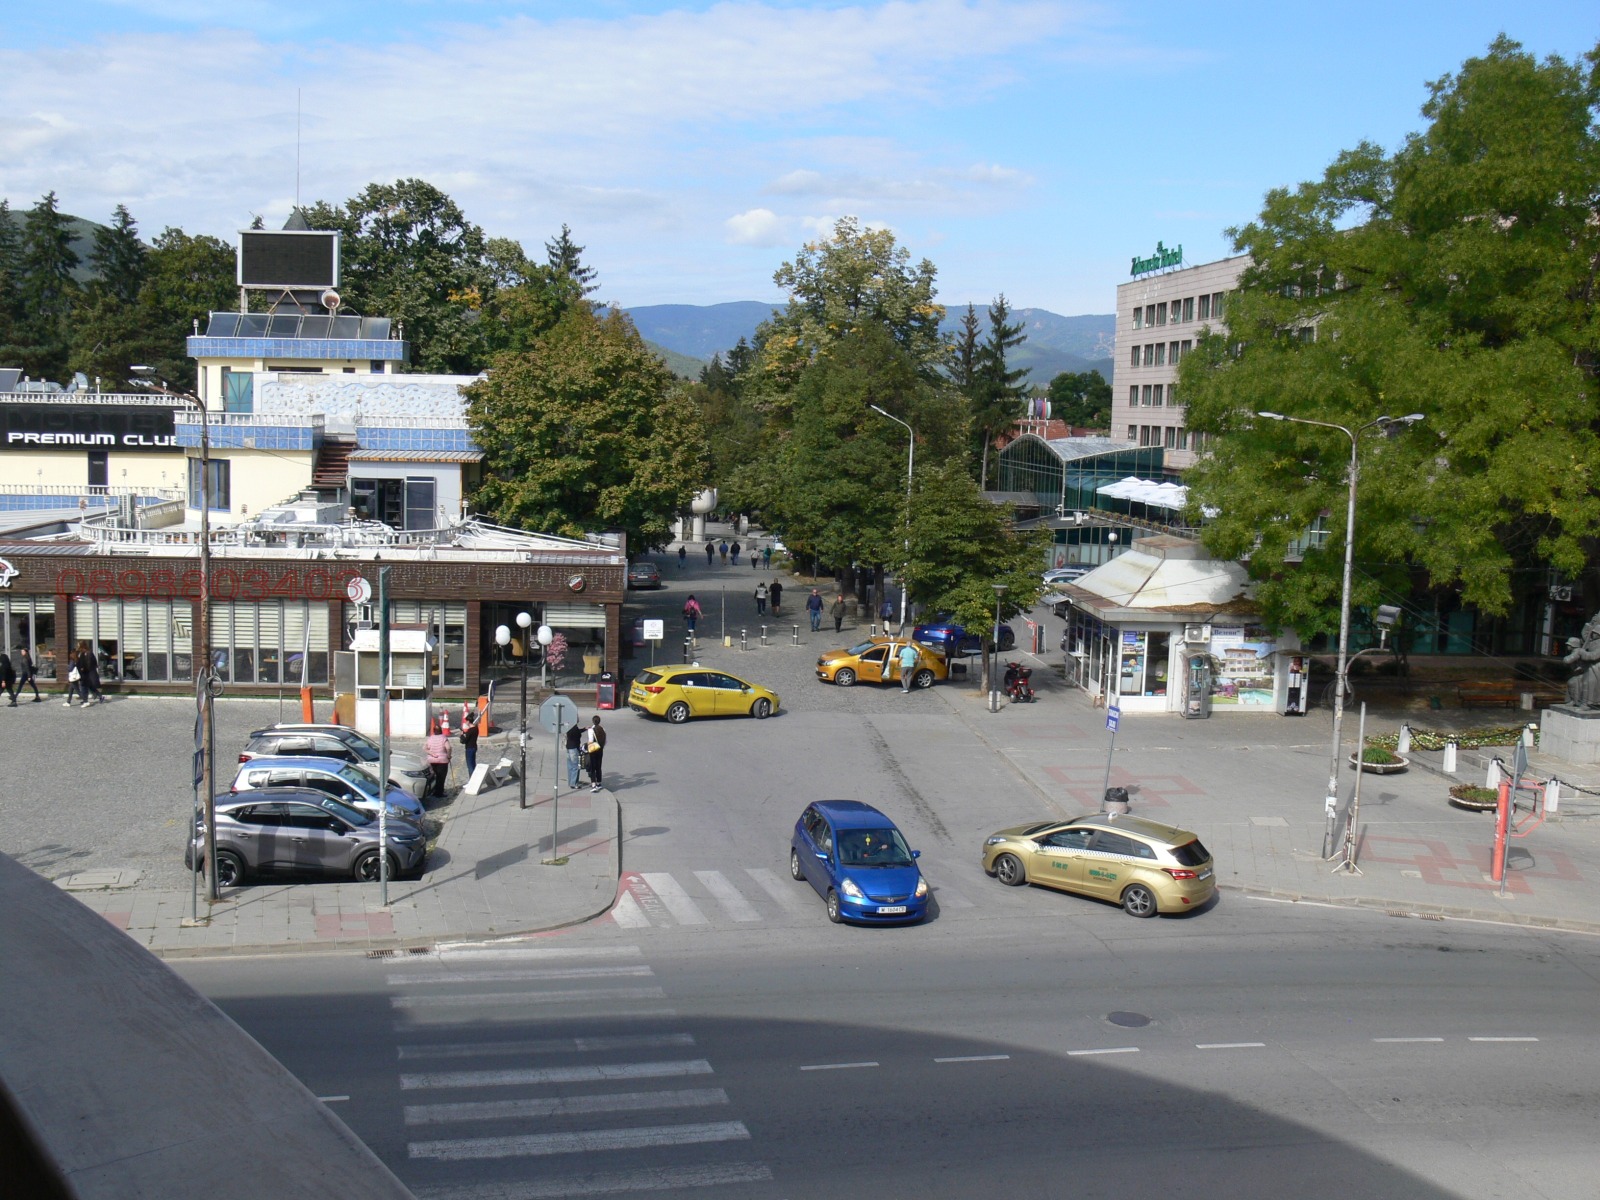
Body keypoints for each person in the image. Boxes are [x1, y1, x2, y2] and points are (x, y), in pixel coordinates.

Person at [424, 721, 452, 799]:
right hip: (442, 761)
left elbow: (424, 748)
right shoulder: (443, 738)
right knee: (441, 777)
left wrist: (431, 753)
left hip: (431, 760)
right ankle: (439, 792)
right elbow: (448, 748)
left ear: (434, 731)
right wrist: (449, 756)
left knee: (433, 776)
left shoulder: (430, 738)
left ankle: (433, 790)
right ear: (441, 731)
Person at [582, 715, 607, 792]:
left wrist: (585, 746)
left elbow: (591, 741)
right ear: (599, 721)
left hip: (593, 750)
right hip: (600, 749)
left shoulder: (591, 730)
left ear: (593, 721)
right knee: (598, 766)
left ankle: (593, 784)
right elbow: (605, 741)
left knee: (592, 767)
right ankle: (599, 783)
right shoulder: (603, 729)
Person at [76, 641, 104, 706]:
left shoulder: (89, 653)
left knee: (84, 686)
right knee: (89, 687)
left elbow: (91, 664)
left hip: (88, 673)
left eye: (79, 646)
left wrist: (83, 668)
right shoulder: (81, 653)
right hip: (85, 673)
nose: (78, 647)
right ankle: (99, 697)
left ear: (82, 646)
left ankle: (85, 700)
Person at [566, 718, 584, 788]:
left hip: (568, 748)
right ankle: (574, 783)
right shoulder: (574, 728)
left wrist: (584, 729)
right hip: (574, 749)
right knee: (575, 766)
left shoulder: (569, 727)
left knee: (570, 766)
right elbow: (577, 734)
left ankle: (571, 782)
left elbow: (578, 732)